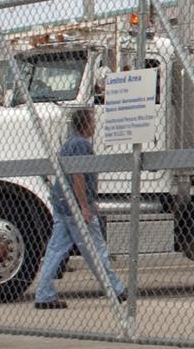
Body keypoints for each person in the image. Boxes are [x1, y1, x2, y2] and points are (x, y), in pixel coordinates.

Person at [32, 107, 126, 309]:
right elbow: (78, 176)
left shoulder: (68, 144)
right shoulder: (81, 144)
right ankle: (115, 289)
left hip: (62, 204)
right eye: (93, 122)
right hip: (75, 206)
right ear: (86, 123)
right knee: (95, 248)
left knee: (55, 250)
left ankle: (44, 294)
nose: (95, 126)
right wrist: (84, 205)